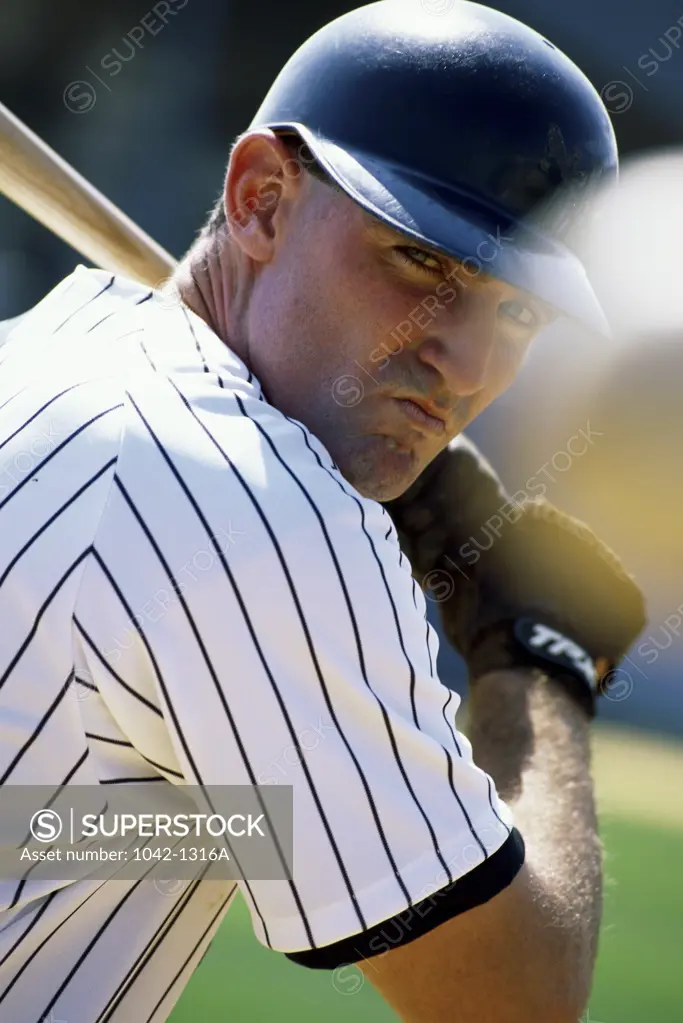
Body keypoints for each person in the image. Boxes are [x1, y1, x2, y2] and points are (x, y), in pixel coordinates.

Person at [0, 3, 644, 1021]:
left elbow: (34, 830)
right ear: (259, 200)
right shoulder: (254, 508)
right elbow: (511, 1000)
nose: (467, 367)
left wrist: (273, 816)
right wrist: (536, 660)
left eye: (515, 310)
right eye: (422, 264)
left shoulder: (45, 353)